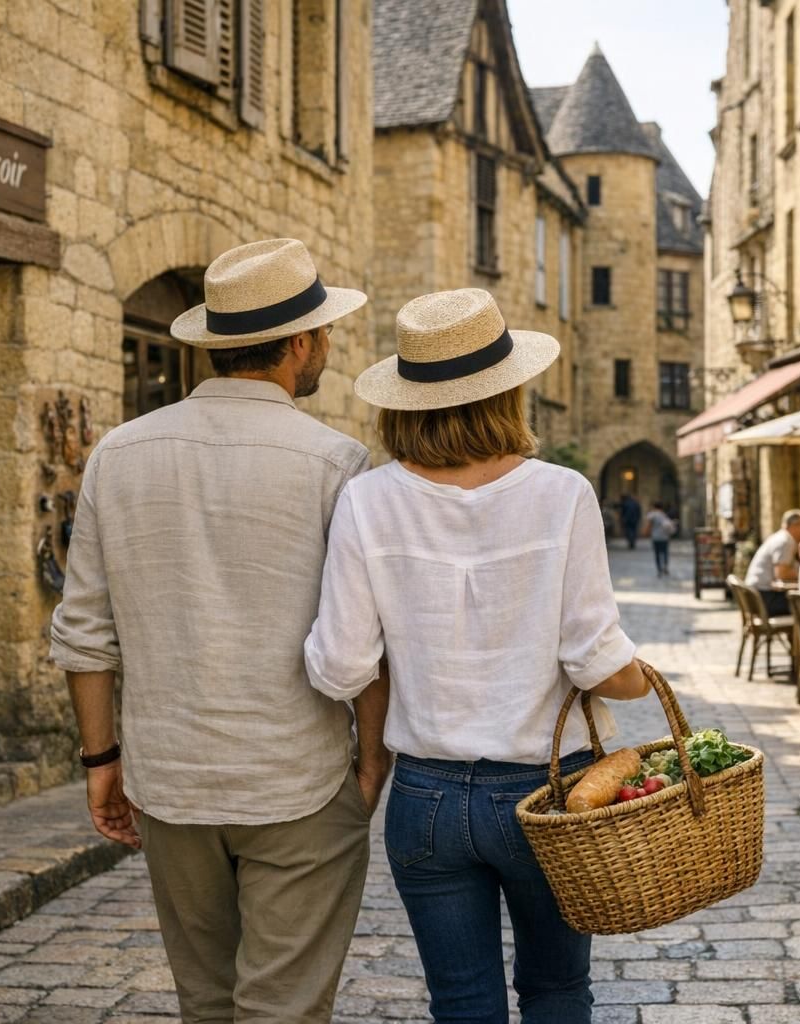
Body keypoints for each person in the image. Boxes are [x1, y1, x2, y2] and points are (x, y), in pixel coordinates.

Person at [49, 239, 387, 1024]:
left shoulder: (117, 455)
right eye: (325, 334)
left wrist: (102, 760)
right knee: (285, 1007)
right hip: (297, 775)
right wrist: (372, 762)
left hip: (171, 779)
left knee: (205, 1003)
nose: (327, 348)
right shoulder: (337, 462)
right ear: (300, 343)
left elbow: (84, 632)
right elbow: (365, 640)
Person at [304, 288, 652, 1024]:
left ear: (404, 401)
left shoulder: (368, 501)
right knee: (557, 991)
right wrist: (641, 675)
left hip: (425, 796)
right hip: (549, 791)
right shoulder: (561, 494)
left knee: (462, 1002)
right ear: (509, 390)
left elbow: (338, 666)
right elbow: (596, 660)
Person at [743, 509, 800, 616]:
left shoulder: (781, 538)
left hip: (757, 596)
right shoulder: (786, 542)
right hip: (764, 598)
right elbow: (782, 574)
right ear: (793, 526)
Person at [645, 500, 677, 576]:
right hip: (665, 537)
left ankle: (659, 569)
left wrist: (646, 532)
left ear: (654, 507)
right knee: (665, 552)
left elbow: (649, 525)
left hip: (656, 537)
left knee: (657, 553)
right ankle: (665, 566)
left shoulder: (652, 515)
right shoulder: (664, 514)